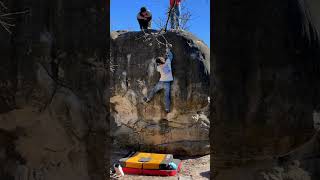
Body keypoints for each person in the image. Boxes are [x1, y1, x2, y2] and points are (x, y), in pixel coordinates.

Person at [144, 44, 174, 113]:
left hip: (161, 82)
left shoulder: (159, 67)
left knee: (154, 90)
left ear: (158, 63)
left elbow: (158, 66)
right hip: (167, 83)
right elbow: (171, 56)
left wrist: (159, 63)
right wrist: (168, 50)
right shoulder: (168, 62)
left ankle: (148, 99)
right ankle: (167, 109)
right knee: (167, 96)